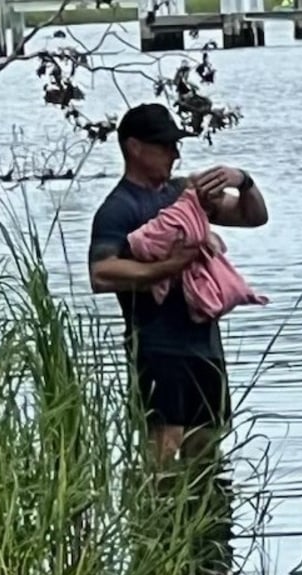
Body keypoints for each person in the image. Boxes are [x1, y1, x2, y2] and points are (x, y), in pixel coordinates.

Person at [87, 102, 269, 468]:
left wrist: (243, 180)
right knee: (163, 450)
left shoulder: (185, 194)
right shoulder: (118, 208)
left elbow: (254, 217)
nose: (175, 153)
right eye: (165, 145)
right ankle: (157, 521)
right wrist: (168, 267)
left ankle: (208, 521)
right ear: (134, 147)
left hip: (205, 347)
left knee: (207, 449)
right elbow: (101, 273)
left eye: (176, 144)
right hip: (157, 349)